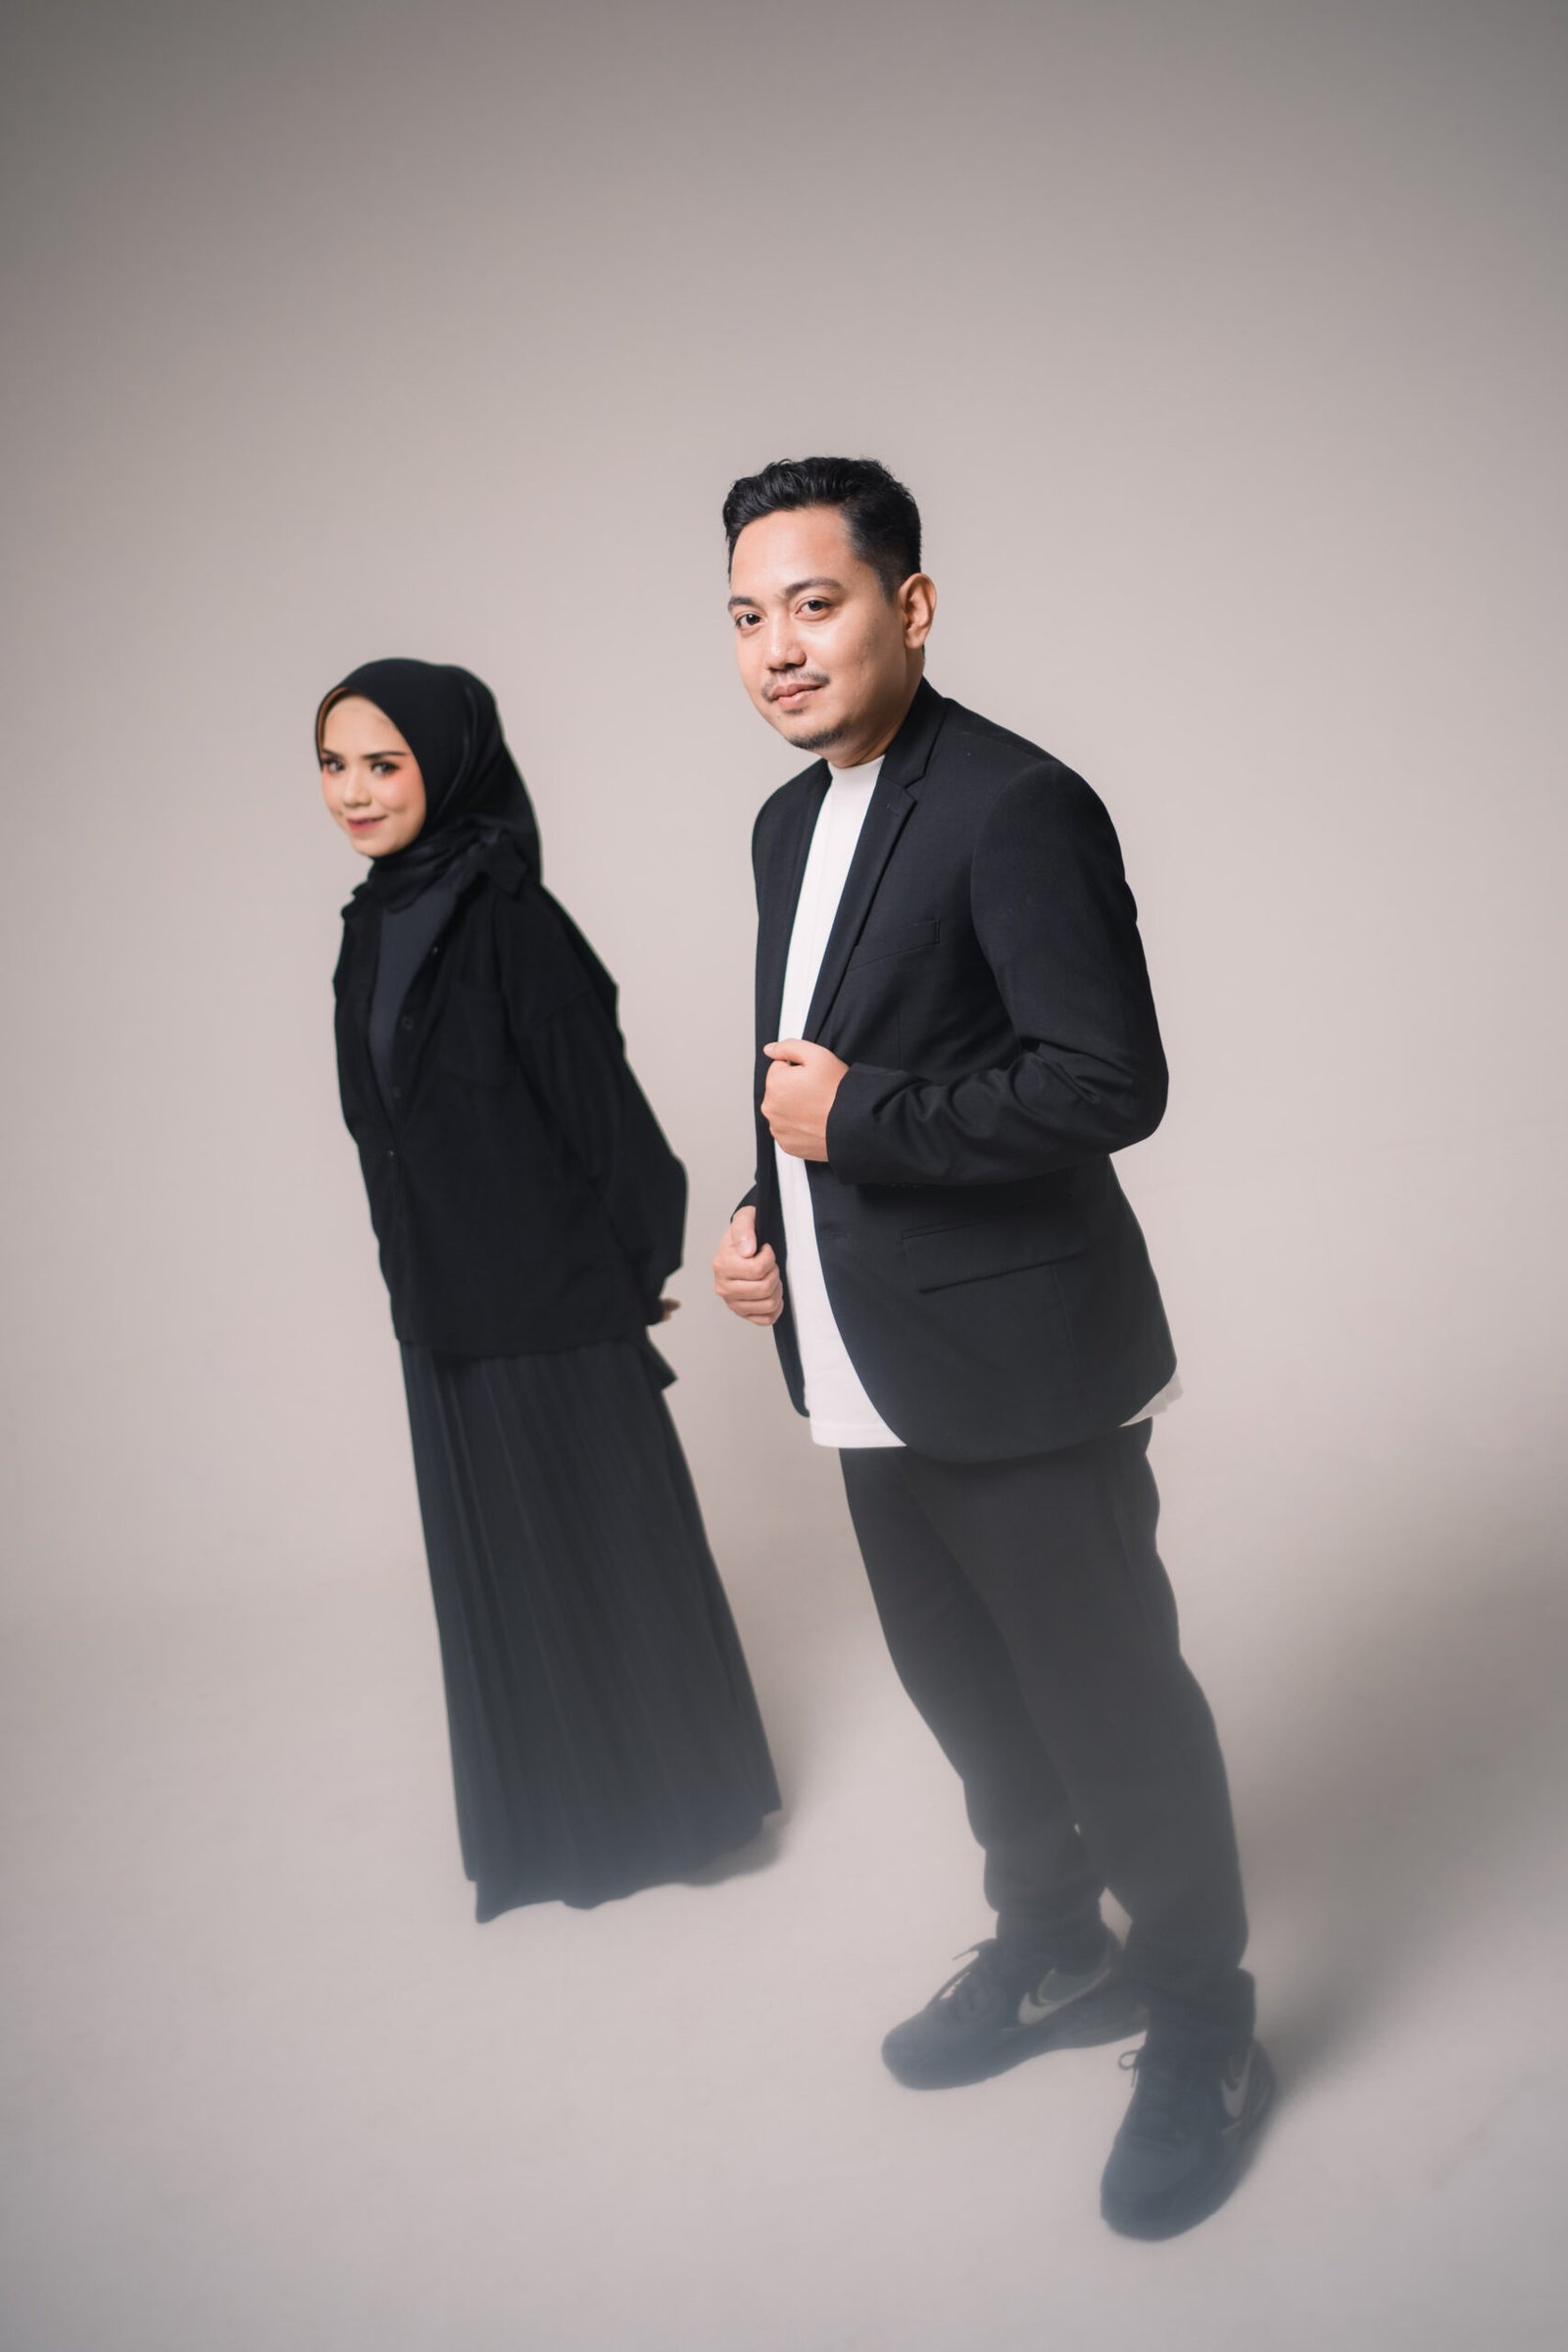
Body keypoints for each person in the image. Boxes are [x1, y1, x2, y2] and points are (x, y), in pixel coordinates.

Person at [710, 459, 1270, 2238]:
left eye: (816, 604)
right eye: (748, 617)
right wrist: (765, 1222)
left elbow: (1109, 1081)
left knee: (1114, 1715)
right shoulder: (787, 824)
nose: (779, 648)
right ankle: (1050, 1945)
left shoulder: (1019, 804)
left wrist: (858, 1126)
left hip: (1023, 1370)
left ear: (912, 606)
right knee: (969, 1700)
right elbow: (807, 1065)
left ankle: (1206, 2028)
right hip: (866, 1363)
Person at [318, 657, 779, 1919]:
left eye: (384, 764)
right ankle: (554, 1832)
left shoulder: (510, 917)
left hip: (552, 1294)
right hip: (441, 1305)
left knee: (606, 1560)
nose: (354, 792)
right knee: (504, 1576)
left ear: (447, 764)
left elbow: (603, 1109)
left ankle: (680, 1816)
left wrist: (636, 1266)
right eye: (334, 765)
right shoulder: (368, 925)